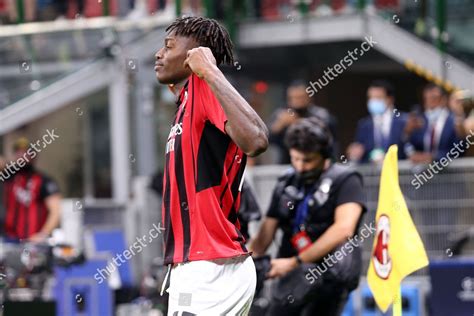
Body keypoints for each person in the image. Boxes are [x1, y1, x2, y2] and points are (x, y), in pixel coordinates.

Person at [154, 16, 268, 315]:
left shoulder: (204, 88)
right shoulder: (186, 103)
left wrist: (210, 72)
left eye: (168, 46)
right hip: (202, 265)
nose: (159, 54)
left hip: (210, 267)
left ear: (196, 55)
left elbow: (256, 140)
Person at [250, 118, 367, 316]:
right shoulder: (286, 182)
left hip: (328, 278)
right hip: (290, 280)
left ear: (325, 155)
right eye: (296, 159)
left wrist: (295, 261)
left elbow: (344, 229)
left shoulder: (346, 179)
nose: (301, 167)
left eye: (308, 160)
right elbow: (264, 237)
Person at [0, 137, 61, 242]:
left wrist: (43, 234)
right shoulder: (9, 176)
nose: (22, 156)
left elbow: (56, 211)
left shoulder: (44, 181)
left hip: (33, 241)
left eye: (26, 152)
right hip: (10, 239)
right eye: (18, 152)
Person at [269, 80, 337, 164]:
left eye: (301, 97)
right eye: (293, 98)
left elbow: (328, 136)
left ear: (309, 96)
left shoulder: (320, 114)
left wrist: (297, 123)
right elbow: (268, 140)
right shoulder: (282, 114)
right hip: (286, 162)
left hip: (315, 161)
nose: (297, 101)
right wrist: (278, 126)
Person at [347, 80, 407, 163]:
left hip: (399, 173)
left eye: (378, 97)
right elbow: (358, 151)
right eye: (370, 98)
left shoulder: (404, 120)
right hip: (372, 174)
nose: (373, 101)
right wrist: (355, 153)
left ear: (390, 99)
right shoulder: (364, 124)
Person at [404, 83, 462, 163]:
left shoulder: (453, 120)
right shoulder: (420, 121)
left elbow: (459, 147)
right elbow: (410, 145)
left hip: (450, 172)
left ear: (443, 100)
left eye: (434, 99)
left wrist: (434, 157)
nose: (430, 103)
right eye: (427, 99)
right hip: (424, 172)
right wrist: (407, 133)